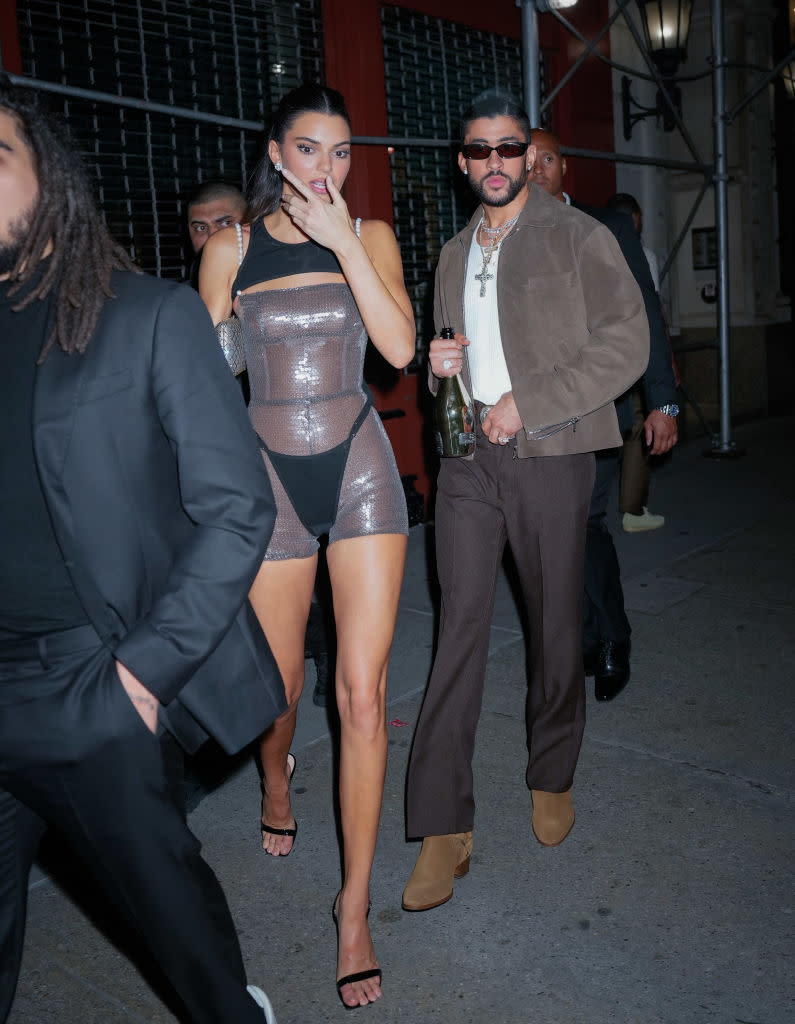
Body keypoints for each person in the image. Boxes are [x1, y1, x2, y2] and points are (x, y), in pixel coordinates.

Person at [0, 78, 283, 1023]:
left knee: (176, 927)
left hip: (90, 686)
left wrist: (140, 678)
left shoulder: (145, 315)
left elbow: (238, 509)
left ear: (52, 179)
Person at [401, 92, 649, 914]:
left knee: (553, 625)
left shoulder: (580, 236)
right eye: (479, 151)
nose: (496, 164)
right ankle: (442, 822)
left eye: (510, 148)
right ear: (461, 161)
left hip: (550, 454)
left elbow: (626, 343)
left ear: (527, 154)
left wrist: (529, 402)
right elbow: (454, 354)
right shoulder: (448, 253)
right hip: (468, 464)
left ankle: (552, 769)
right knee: (457, 629)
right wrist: (439, 364)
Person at [199, 84, 414, 1008]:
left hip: (360, 466)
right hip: (269, 477)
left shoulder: (366, 236)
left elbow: (399, 349)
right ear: (276, 153)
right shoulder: (230, 247)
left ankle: (354, 907)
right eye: (308, 150)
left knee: (361, 696)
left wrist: (343, 247)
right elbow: (203, 382)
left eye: (339, 152)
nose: (326, 168)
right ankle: (274, 780)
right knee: (277, 688)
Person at [531, 129, 679, 701]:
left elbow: (645, 315)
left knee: (586, 525)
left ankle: (612, 638)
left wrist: (662, 401)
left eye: (549, 157)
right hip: (536, 412)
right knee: (552, 532)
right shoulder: (508, 237)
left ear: (564, 167)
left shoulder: (605, 228)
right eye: (530, 159)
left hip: (595, 408)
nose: (538, 168)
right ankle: (587, 637)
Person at [606, 191, 670, 533]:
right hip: (634, 357)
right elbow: (652, 314)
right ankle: (633, 511)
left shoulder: (587, 243)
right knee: (637, 427)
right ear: (634, 220)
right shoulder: (642, 253)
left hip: (598, 359)